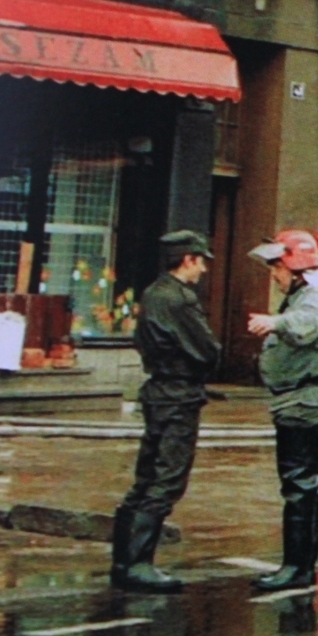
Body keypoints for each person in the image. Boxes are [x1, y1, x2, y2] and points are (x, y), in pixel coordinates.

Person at [111, 230, 222, 593]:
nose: (203, 269)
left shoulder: (152, 293)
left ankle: (124, 560)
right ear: (188, 259)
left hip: (158, 390)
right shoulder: (179, 299)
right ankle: (139, 563)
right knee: (167, 478)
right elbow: (207, 350)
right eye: (201, 261)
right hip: (178, 394)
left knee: (146, 476)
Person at [247, 230, 318, 592]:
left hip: (305, 404)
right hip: (302, 403)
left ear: (295, 267)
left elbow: (308, 324)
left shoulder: (314, 297)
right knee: (306, 486)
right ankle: (301, 566)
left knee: (300, 486)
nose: (274, 274)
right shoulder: (306, 294)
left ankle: (296, 569)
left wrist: (276, 323)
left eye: (277, 267)